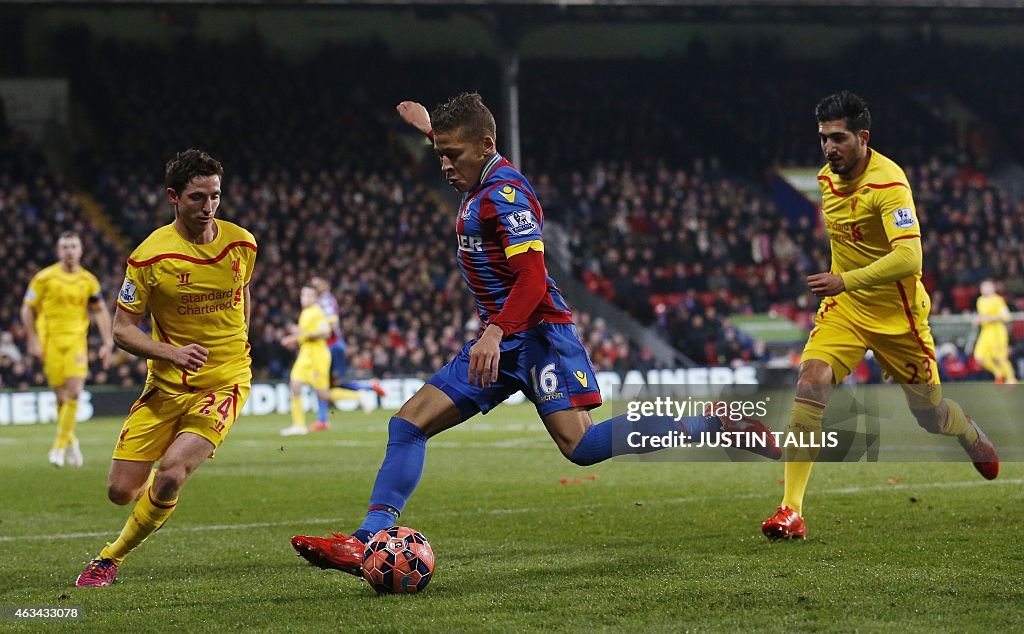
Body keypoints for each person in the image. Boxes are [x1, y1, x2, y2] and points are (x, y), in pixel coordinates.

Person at [291, 93, 780, 577]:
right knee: (407, 425)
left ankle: (713, 425)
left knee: (582, 448)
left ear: (485, 146)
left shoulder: (507, 197)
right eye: (438, 153)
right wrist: (429, 130)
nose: (443, 165)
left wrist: (496, 332)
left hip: (538, 335)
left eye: (452, 155)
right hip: (502, 339)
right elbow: (460, 145)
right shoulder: (474, 170)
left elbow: (532, 276)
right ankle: (364, 540)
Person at [760, 91, 999, 541]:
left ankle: (965, 429)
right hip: (846, 310)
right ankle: (791, 510)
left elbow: (909, 259)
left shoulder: (889, 184)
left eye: (838, 138)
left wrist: (844, 280)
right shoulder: (826, 181)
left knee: (929, 415)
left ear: (863, 138)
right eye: (824, 139)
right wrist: (840, 287)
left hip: (898, 318)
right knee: (811, 379)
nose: (829, 148)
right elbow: (844, 244)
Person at [75, 149, 257, 587]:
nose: (208, 207)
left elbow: (242, 292)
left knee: (173, 470)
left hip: (224, 381)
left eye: (214, 195)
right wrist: (170, 353)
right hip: (166, 384)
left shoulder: (242, 243)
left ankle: (108, 558)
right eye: (197, 197)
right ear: (173, 197)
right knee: (121, 492)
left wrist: (237, 344)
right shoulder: (149, 258)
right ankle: (153, 498)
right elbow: (122, 330)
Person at [21, 231, 114, 468]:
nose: (70, 251)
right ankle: (70, 440)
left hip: (76, 342)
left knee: (74, 392)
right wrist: (32, 339)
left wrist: (107, 342)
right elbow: (27, 308)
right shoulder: (44, 278)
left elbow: (100, 310)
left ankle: (58, 448)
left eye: (74, 246)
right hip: (50, 342)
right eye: (65, 247)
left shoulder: (88, 281)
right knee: (61, 398)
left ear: (81, 250)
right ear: (58, 250)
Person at [279, 283, 364, 435]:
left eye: (309, 295)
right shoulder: (305, 313)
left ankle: (358, 396)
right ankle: (299, 425)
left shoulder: (317, 312)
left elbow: (325, 333)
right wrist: (294, 337)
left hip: (318, 356)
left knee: (323, 394)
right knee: (295, 385)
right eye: (303, 295)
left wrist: (297, 336)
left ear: (316, 298)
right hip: (306, 354)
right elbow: (306, 333)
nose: (305, 298)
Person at [972, 280, 1017, 384]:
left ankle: (1011, 379)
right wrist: (977, 320)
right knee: (979, 357)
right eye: (983, 287)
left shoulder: (998, 300)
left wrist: (992, 319)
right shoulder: (980, 300)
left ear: (993, 288)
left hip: (997, 332)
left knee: (1000, 357)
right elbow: (982, 316)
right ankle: (998, 373)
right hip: (985, 332)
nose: (985, 289)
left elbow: (1006, 316)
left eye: (987, 287)